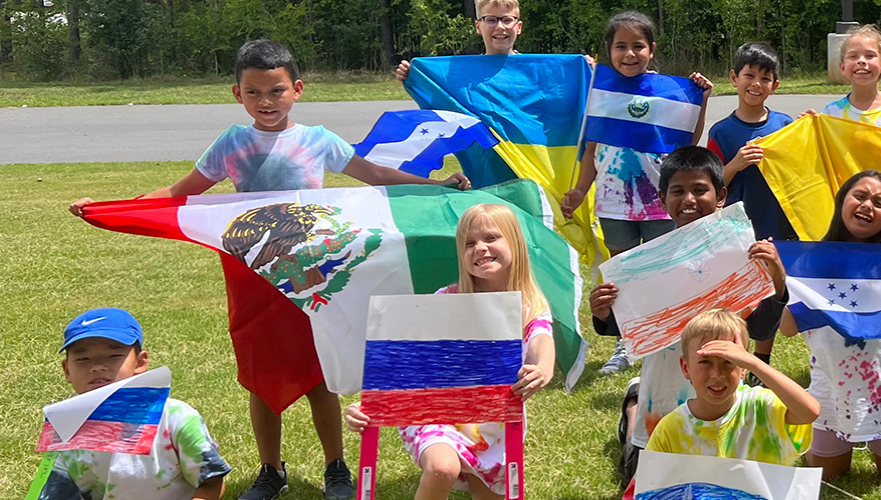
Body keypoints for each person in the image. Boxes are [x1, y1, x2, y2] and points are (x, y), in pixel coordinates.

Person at [67, 39, 466, 500]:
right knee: (260, 375)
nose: (266, 102)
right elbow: (181, 193)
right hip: (249, 273)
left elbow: (374, 175)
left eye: (276, 91)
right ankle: (270, 470)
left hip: (306, 272)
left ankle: (336, 468)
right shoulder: (231, 144)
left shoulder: (317, 140)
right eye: (253, 93)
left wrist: (433, 187)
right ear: (237, 94)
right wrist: (112, 207)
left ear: (296, 89)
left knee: (319, 371)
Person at [587, 146, 791, 488]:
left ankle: (633, 398)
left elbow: (758, 327)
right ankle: (634, 405)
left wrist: (777, 279)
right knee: (643, 485)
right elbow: (628, 327)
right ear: (663, 198)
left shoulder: (741, 255)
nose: (689, 200)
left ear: (721, 194)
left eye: (700, 190)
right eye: (677, 191)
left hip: (718, 395)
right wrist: (603, 312)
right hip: (662, 397)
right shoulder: (645, 263)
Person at [344, 203, 557, 500]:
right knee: (442, 468)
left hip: (494, 423)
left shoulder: (530, 306)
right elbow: (405, 356)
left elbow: (540, 340)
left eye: (491, 238)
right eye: (470, 243)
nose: (480, 248)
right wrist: (370, 405)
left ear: (517, 244)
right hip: (435, 413)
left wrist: (544, 367)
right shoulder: (447, 299)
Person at [561, 10, 714, 376]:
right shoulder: (603, 90)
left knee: (664, 272)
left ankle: (668, 339)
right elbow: (591, 150)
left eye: (638, 46)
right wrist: (581, 191)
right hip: (613, 205)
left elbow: (687, 141)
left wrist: (702, 98)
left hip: (662, 206)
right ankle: (625, 343)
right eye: (621, 47)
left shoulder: (670, 94)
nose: (629, 54)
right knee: (623, 274)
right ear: (609, 51)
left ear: (652, 49)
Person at [787, 170, 881, 480]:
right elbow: (788, 329)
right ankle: (816, 446)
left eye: (879, 202)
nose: (867, 205)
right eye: (860, 196)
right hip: (830, 392)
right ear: (842, 202)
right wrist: (780, 277)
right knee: (826, 477)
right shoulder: (812, 262)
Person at [37, 308, 233, 500]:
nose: (97, 366)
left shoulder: (175, 417)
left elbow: (212, 482)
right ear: (67, 371)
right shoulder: (65, 427)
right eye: (83, 359)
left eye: (113, 355)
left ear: (140, 362)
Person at [705, 41, 795, 373]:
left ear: (775, 85)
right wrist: (737, 163)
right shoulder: (722, 131)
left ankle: (763, 360)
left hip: (777, 222)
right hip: (736, 226)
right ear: (734, 78)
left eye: (765, 78)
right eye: (749, 75)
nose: (756, 84)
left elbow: (802, 167)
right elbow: (712, 183)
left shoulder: (785, 125)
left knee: (771, 291)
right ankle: (735, 358)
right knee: (740, 293)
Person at [645, 308, 818, 463]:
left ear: (743, 367)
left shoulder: (761, 406)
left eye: (729, 362)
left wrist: (754, 363)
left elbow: (810, 411)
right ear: (685, 367)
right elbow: (649, 485)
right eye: (705, 362)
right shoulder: (671, 429)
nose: (717, 374)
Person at [804, 25, 881, 139]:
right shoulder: (832, 113)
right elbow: (819, 149)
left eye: (870, 56)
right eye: (853, 56)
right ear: (842, 67)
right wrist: (807, 128)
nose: (861, 61)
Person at [392, 0, 523, 81]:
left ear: (518, 27)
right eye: (491, 20)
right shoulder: (463, 73)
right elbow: (444, 102)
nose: (500, 27)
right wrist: (414, 77)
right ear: (478, 27)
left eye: (507, 20)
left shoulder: (537, 71)